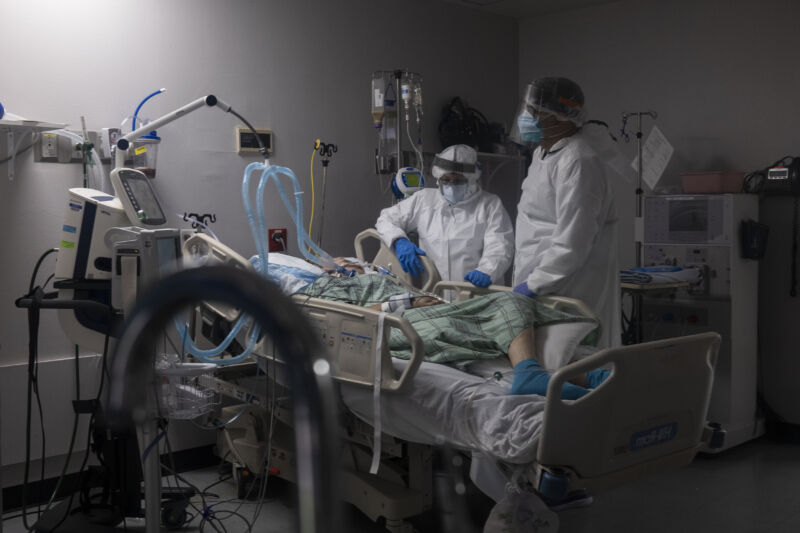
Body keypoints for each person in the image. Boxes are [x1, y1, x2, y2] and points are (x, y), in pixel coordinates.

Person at [512, 77, 621, 348]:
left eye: (534, 111)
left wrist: (536, 283)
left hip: (568, 283)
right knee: (540, 358)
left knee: (571, 360)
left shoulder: (579, 161)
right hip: (539, 279)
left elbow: (574, 239)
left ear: (560, 117)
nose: (526, 117)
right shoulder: (542, 154)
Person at [375, 144, 514, 290]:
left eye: (458, 180)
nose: (451, 185)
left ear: (471, 179)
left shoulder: (490, 205)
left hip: (477, 293)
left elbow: (500, 245)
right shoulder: (424, 199)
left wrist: (487, 270)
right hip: (435, 295)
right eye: (446, 180)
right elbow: (386, 219)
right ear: (438, 177)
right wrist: (399, 240)